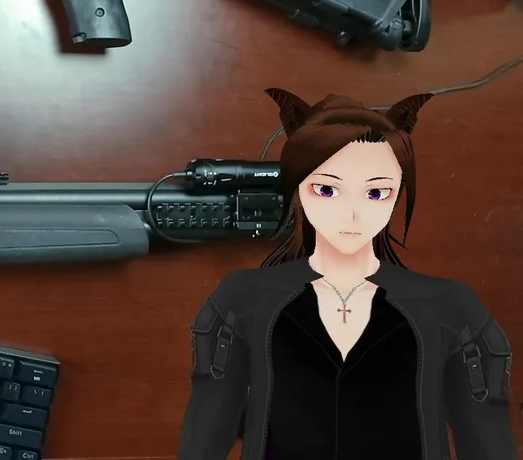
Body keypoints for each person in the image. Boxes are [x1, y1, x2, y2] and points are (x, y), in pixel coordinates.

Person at [177, 89, 516, 460]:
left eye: (376, 193)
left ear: (397, 193)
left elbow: (487, 439)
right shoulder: (243, 299)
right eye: (327, 189)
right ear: (299, 188)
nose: (352, 214)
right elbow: (205, 435)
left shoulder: (449, 307)